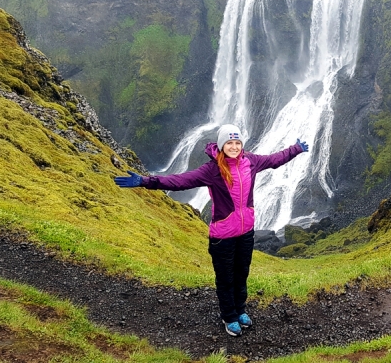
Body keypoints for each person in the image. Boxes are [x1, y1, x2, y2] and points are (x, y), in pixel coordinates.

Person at [114, 124, 309, 336]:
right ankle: (229, 317)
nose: (233, 146)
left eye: (237, 143)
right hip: (223, 236)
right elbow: (180, 181)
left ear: (241, 145)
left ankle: (240, 309)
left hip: (246, 232)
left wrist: (295, 149)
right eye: (229, 143)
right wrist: (146, 181)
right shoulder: (212, 170)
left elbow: (274, 160)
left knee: (241, 273)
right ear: (221, 145)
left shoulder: (250, 161)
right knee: (225, 277)